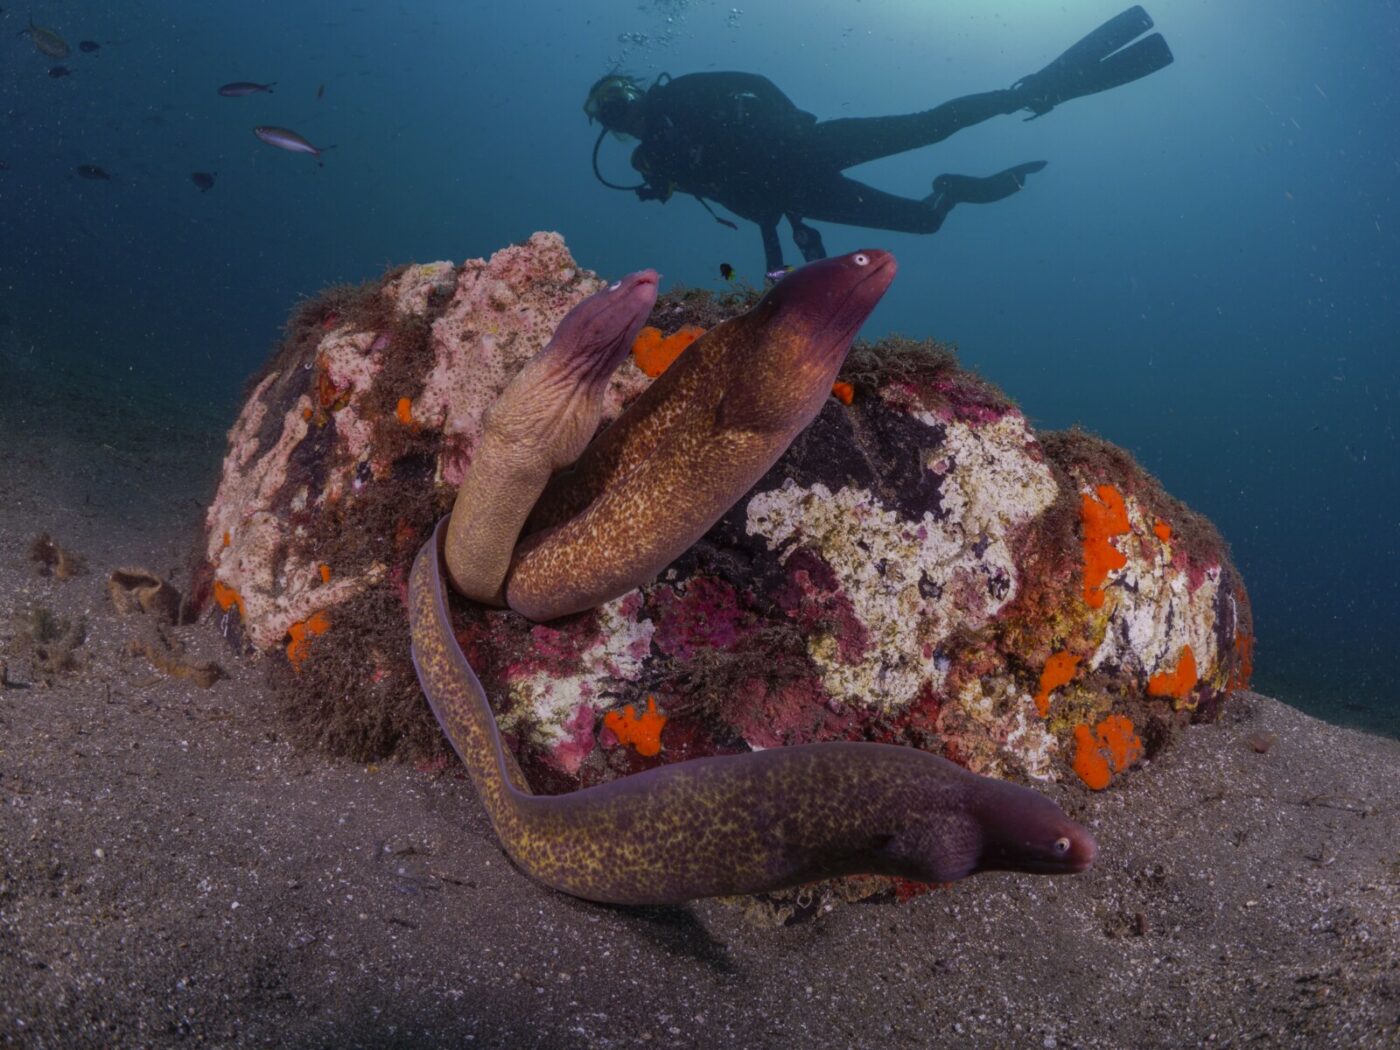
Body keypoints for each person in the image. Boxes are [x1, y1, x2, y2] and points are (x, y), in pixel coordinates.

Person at [584, 6, 1173, 275]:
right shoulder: (648, 160)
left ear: (632, 91)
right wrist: (660, 185)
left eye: (616, 98)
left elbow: (753, 83)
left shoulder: (680, 93)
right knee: (924, 222)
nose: (618, 114)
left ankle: (1031, 90)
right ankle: (954, 190)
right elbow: (717, 190)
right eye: (606, 114)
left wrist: (790, 121)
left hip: (805, 148)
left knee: (931, 123)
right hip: (797, 201)